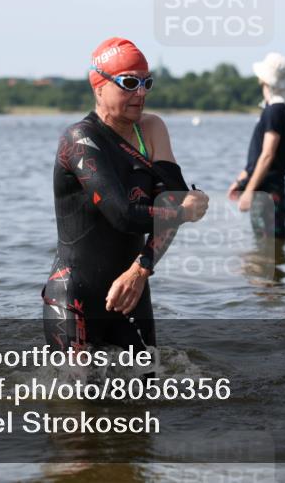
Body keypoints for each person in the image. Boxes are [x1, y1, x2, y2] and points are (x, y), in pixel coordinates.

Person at [42, 38, 209, 353]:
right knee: (79, 400)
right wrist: (185, 211)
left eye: (147, 82)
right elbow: (123, 215)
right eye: (129, 83)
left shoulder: (152, 130)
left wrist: (141, 268)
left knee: (147, 395)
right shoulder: (79, 140)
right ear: (99, 87)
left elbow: (169, 205)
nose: (141, 93)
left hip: (132, 291)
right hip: (75, 296)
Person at [227, 52, 285, 241]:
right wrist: (241, 180)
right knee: (267, 245)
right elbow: (257, 156)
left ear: (263, 80)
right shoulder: (273, 109)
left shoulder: (275, 110)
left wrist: (248, 191)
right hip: (263, 186)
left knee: (269, 245)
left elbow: (267, 155)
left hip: (268, 189)